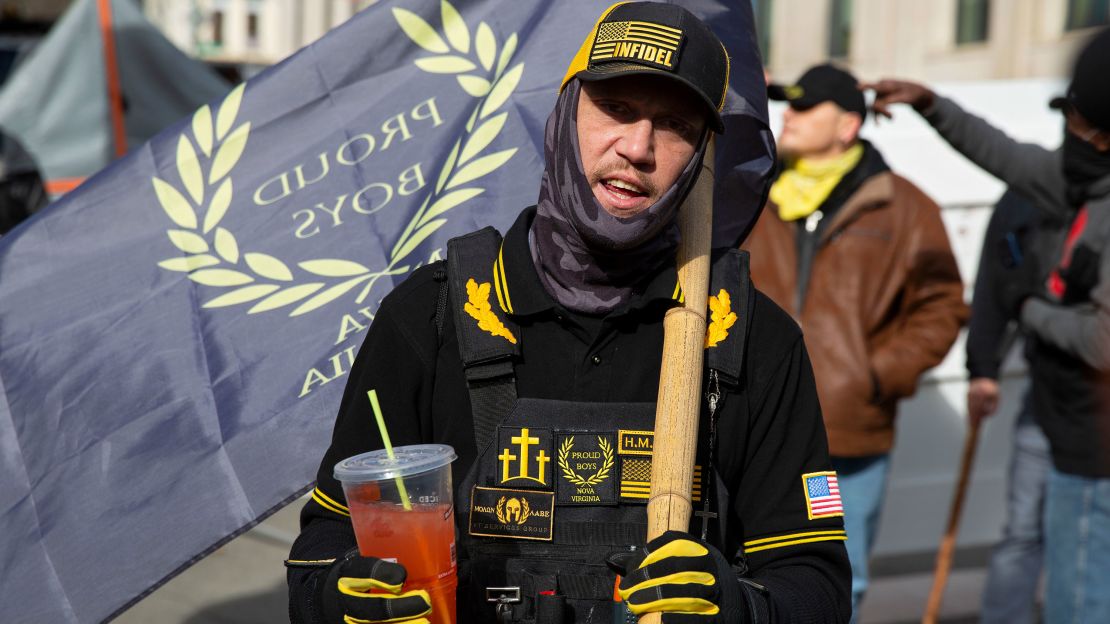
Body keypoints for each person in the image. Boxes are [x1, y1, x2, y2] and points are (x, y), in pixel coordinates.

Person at [287, 3, 851, 623]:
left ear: (699, 158)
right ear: (564, 114)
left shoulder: (750, 339)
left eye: (674, 125)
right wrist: (338, 596)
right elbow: (321, 551)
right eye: (616, 109)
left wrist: (739, 609)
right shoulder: (431, 316)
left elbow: (816, 584)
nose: (637, 147)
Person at [866, 26, 1110, 624]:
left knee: (1080, 590)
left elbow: (1104, 343)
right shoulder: (1073, 179)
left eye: (1077, 122)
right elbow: (1000, 152)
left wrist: (1032, 310)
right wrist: (932, 105)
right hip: (1056, 412)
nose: (1065, 134)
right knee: (1026, 537)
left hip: (1094, 440)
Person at [741, 63, 968, 619]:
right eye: (786, 103)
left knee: (843, 577)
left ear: (847, 125)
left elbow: (942, 304)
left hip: (848, 437)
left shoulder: (906, 208)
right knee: (746, 575)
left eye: (804, 105)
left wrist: (875, 375)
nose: (788, 115)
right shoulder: (749, 193)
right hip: (754, 424)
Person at [966, 189, 1057, 624]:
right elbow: (994, 282)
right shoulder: (1031, 189)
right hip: (1049, 401)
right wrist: (984, 365)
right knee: (1023, 531)